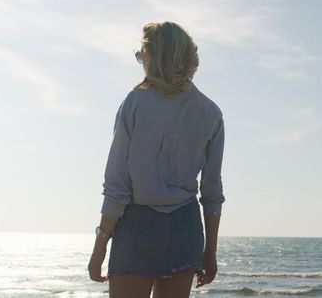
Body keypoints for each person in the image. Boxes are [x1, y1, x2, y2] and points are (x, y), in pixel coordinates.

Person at [87, 21, 226, 298]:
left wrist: (100, 245)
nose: (141, 62)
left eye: (142, 56)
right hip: (186, 227)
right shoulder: (210, 112)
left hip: (137, 224)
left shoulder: (136, 103)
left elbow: (117, 185)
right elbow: (212, 192)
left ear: (153, 57)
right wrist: (210, 252)